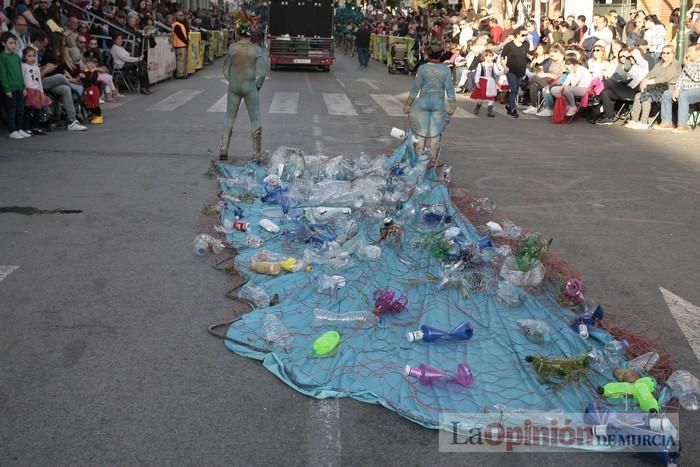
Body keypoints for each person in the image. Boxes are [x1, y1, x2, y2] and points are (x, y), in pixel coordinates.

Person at [219, 23, 265, 162]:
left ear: (239, 33)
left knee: (229, 117)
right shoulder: (256, 50)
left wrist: (232, 80)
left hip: (234, 85)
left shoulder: (232, 48)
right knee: (255, 119)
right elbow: (261, 74)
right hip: (249, 85)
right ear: (251, 34)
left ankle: (224, 148)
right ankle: (256, 153)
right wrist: (256, 87)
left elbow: (225, 69)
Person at [403, 48, 456, 164]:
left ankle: (419, 155)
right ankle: (433, 158)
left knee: (422, 131)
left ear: (428, 55)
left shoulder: (422, 68)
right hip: (438, 104)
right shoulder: (446, 69)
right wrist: (452, 105)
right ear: (441, 55)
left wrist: (408, 104)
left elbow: (415, 88)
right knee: (435, 132)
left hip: (423, 102)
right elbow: (450, 89)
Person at [625, 44, 681, 129]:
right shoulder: (659, 64)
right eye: (663, 53)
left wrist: (648, 82)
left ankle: (643, 122)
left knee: (646, 96)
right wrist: (644, 81)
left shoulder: (675, 64)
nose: (665, 55)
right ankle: (634, 120)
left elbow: (665, 78)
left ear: (673, 54)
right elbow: (650, 74)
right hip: (657, 87)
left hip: (669, 88)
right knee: (638, 95)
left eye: (668, 53)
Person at [654, 44, 700, 133]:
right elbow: (681, 79)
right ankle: (667, 122)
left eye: (690, 51)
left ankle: (682, 125)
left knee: (684, 96)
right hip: (685, 90)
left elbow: (697, 77)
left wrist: (688, 65)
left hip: (697, 90)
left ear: (698, 52)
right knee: (667, 94)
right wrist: (677, 89)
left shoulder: (690, 64)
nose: (688, 54)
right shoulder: (689, 63)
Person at [596, 48, 649, 125]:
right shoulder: (631, 66)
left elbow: (638, 58)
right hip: (626, 89)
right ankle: (608, 117)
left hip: (634, 91)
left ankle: (596, 98)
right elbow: (627, 76)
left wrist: (631, 54)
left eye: (632, 55)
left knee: (608, 82)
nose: (630, 57)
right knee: (606, 93)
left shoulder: (644, 64)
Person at [0, 32, 28, 139]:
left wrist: (23, 86)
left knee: (20, 110)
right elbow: (2, 73)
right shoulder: (2, 57)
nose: (13, 45)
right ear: (4, 43)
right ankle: (12, 130)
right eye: (11, 43)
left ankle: (19, 128)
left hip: (19, 87)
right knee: (11, 110)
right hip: (10, 88)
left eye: (14, 43)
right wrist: (6, 89)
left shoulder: (16, 57)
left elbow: (20, 73)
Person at [500, 27, 530, 118]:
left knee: (516, 89)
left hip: (521, 70)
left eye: (526, 35)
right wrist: (505, 67)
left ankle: (509, 104)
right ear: (517, 35)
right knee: (513, 89)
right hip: (511, 70)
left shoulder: (526, 44)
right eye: (523, 35)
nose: (524, 37)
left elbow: (527, 54)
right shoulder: (509, 45)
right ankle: (513, 109)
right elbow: (503, 57)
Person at [21, 46, 49, 134]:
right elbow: (22, 78)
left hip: (37, 90)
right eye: (29, 56)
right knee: (28, 110)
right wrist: (23, 88)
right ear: (24, 57)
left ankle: (36, 127)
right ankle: (26, 127)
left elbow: (39, 80)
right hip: (29, 90)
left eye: (33, 56)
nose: (32, 58)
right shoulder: (23, 66)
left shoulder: (36, 68)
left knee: (38, 110)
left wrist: (41, 91)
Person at [470, 49, 501, 117]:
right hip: (483, 81)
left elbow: (497, 72)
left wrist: (504, 71)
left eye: (491, 56)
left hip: (491, 81)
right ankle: (477, 107)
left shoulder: (493, 64)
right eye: (489, 56)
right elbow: (477, 74)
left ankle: (489, 111)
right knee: (481, 97)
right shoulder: (481, 64)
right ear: (485, 57)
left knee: (491, 96)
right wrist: (477, 82)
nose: (490, 58)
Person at [81, 56, 102, 124]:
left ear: (95, 65)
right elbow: (83, 80)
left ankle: (99, 117)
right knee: (88, 104)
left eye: (93, 63)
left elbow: (93, 80)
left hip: (94, 90)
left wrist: (84, 77)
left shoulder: (94, 72)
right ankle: (93, 114)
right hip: (87, 90)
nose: (90, 64)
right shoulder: (85, 72)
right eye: (88, 63)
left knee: (96, 104)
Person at [172, 10, 189, 78]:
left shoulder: (182, 24)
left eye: (183, 15)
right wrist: (186, 41)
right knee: (180, 60)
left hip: (183, 44)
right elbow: (180, 35)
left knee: (183, 60)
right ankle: (180, 74)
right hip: (179, 45)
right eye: (180, 15)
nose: (182, 16)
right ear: (176, 16)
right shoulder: (176, 24)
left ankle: (183, 73)